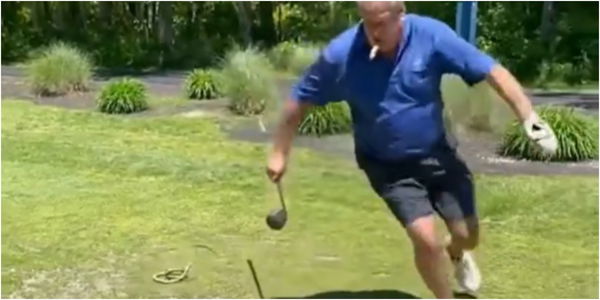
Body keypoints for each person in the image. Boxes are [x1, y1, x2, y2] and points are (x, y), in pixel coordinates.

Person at [266, 2, 557, 298]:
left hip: (438, 154)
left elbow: (492, 71)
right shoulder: (341, 55)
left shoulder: (430, 36)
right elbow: (298, 100)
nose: (372, 32)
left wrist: (528, 117)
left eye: (380, 23)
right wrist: (279, 153)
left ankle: (456, 253)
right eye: (366, 23)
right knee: (425, 240)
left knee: (467, 236)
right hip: (387, 166)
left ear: (400, 15)